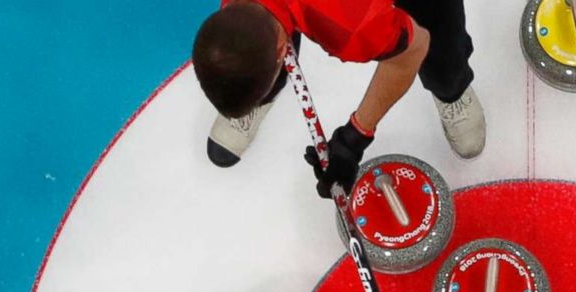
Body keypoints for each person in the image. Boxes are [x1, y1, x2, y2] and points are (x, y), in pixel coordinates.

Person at [191, 0, 484, 183]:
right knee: (258, 29)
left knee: (438, 36)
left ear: (283, 50)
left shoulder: (353, 26)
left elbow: (413, 48)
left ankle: (451, 89)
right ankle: (255, 88)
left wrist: (356, 135)